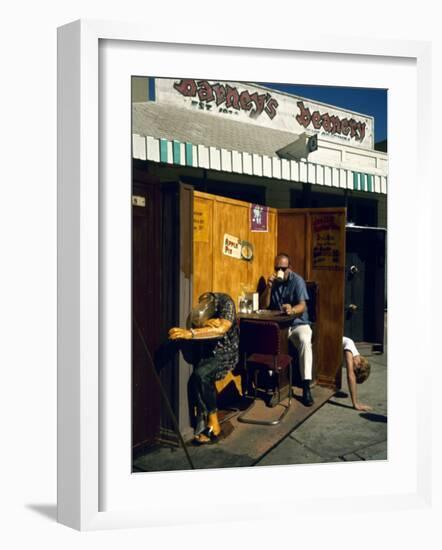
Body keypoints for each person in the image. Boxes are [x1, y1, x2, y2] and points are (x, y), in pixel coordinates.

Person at [168, 292, 239, 445]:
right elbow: (201, 322)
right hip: (207, 350)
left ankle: (214, 424)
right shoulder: (203, 303)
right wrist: (207, 324)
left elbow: (221, 329)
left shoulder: (226, 303)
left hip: (226, 352)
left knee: (201, 374)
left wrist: (190, 333)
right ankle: (204, 419)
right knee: (199, 376)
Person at [260, 253, 314, 407]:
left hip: (298, 323)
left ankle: (306, 387)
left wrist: (292, 310)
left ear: (289, 268)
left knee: (305, 340)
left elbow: (303, 306)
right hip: (280, 326)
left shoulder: (297, 281)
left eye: (283, 268)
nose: (280, 271)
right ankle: (274, 384)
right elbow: (264, 306)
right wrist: (269, 288)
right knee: (266, 339)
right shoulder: (274, 282)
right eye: (277, 268)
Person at [342, 336, 372, 412]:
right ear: (359, 365)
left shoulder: (354, 358)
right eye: (355, 372)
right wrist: (355, 403)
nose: (352, 371)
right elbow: (350, 376)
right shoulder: (350, 347)